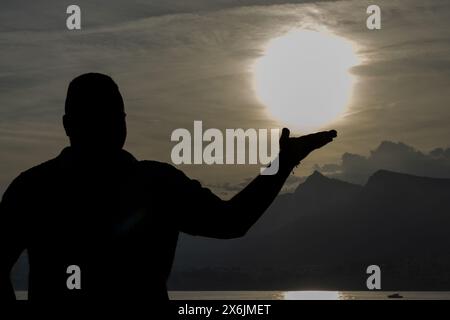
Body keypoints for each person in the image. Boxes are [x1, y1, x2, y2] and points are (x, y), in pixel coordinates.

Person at [0, 73, 336, 305]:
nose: (111, 124)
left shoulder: (31, 188)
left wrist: (283, 162)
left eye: (115, 115)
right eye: (101, 116)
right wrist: (281, 163)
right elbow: (231, 222)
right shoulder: (155, 184)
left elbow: (231, 223)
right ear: (69, 125)